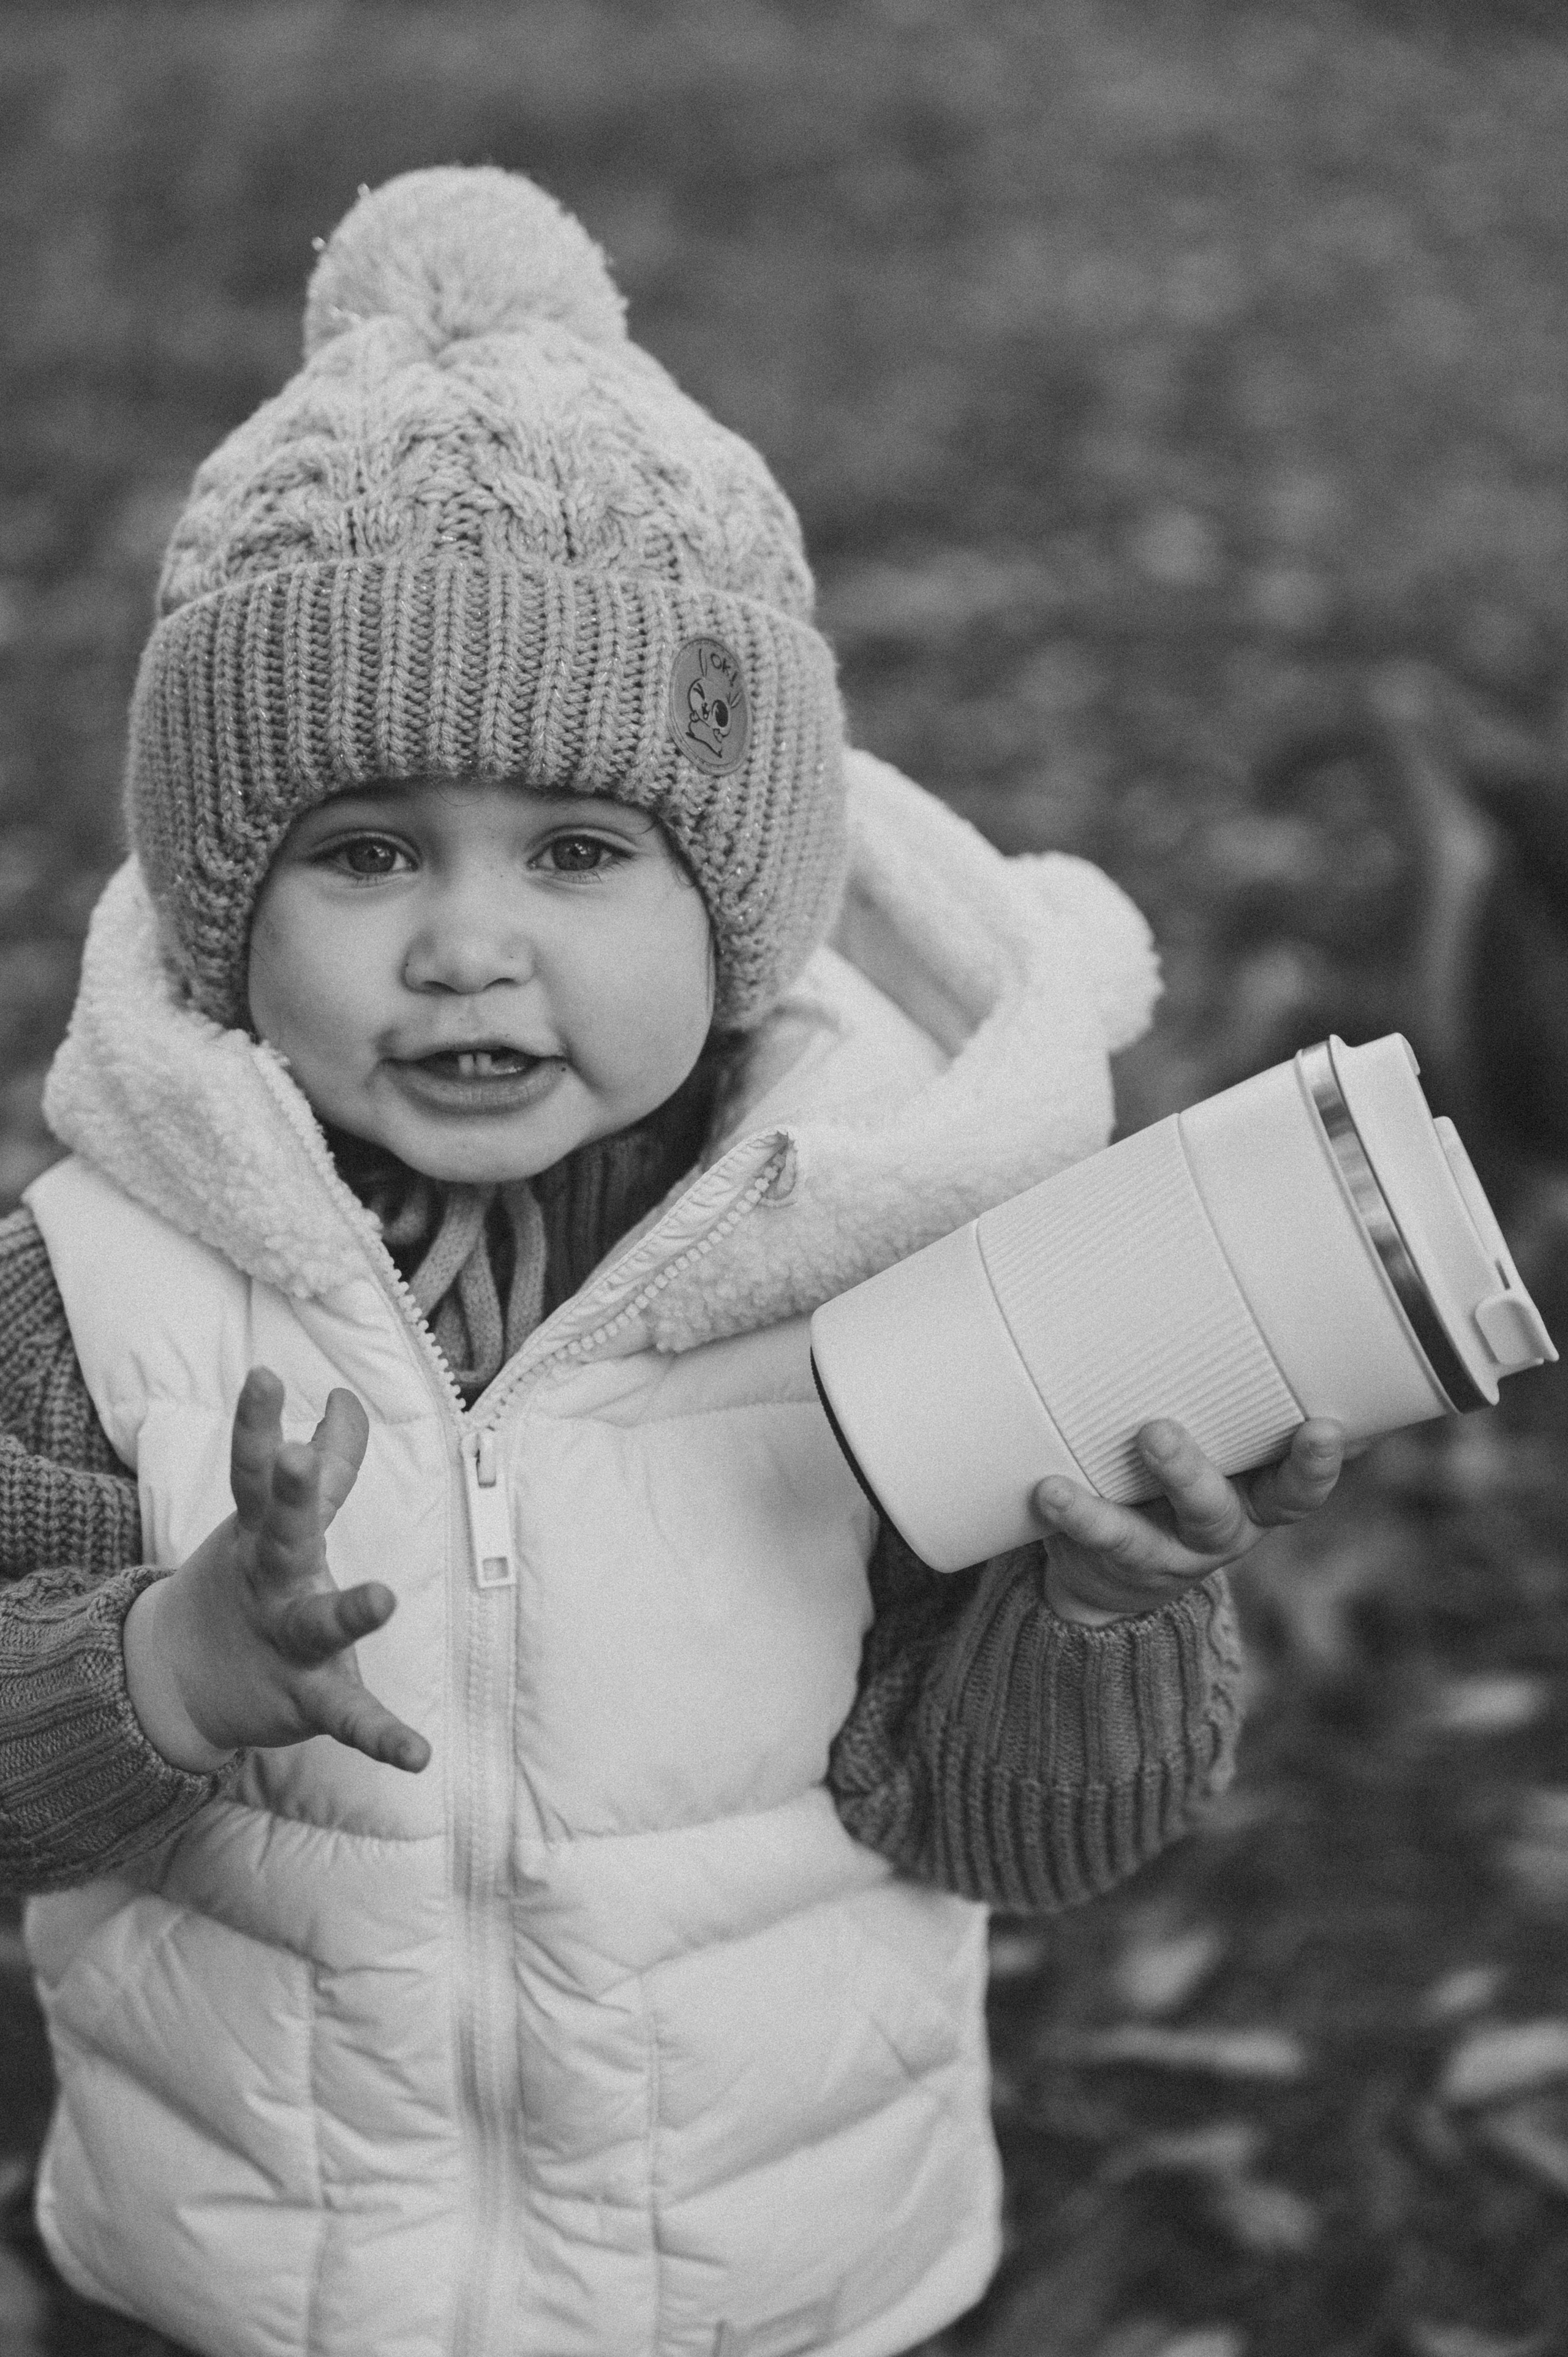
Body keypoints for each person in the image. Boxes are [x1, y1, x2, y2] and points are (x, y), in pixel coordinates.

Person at [0, 168, 1343, 2357]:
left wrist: (1097, 1614)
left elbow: (1024, 1835)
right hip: (242, 2290)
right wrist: (159, 1671)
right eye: (360, 850)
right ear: (225, 909)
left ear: (739, 913)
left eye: (577, 849)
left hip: (785, 2292)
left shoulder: (909, 1283)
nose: (462, 940)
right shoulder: (99, 1293)